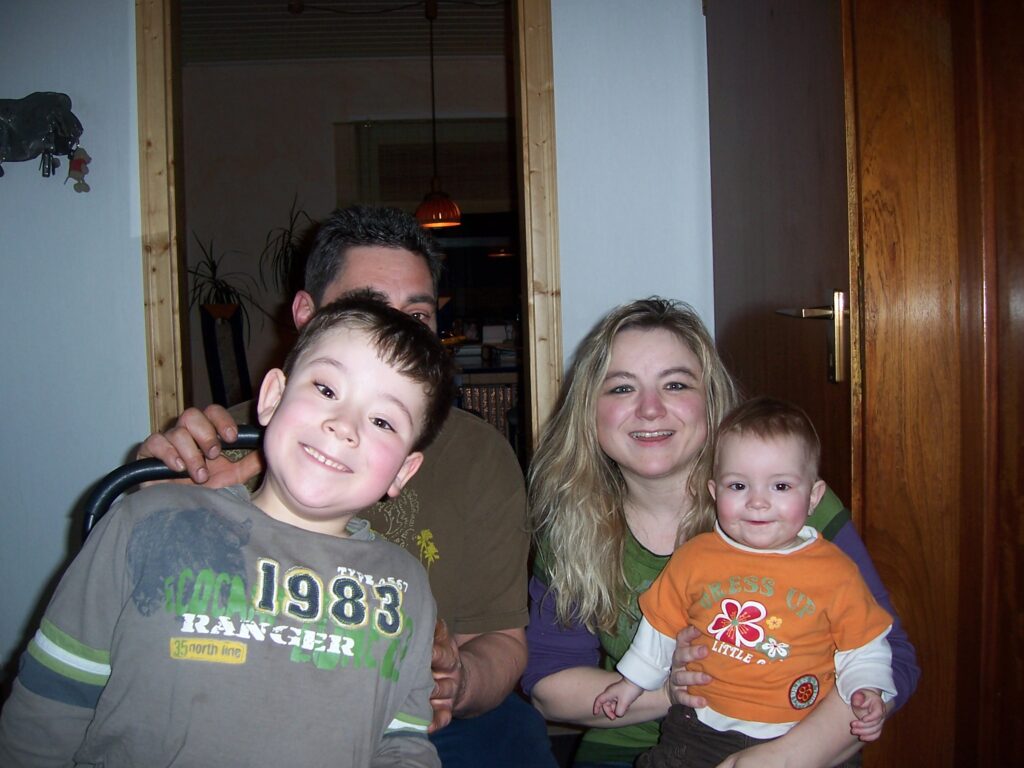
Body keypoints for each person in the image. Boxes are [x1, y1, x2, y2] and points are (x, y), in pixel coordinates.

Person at [136, 206, 555, 767]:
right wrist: (157, 496)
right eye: (368, 309)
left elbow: (502, 640)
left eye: (418, 315)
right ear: (306, 315)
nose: (400, 335)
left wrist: (457, 681)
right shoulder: (221, 447)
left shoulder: (479, 454)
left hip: (424, 724)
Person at [0, 295, 453, 767]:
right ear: (272, 396)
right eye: (325, 389)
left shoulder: (406, 586)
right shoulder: (146, 519)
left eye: (382, 421)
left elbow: (402, 743)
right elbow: (49, 704)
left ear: (404, 471)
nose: (343, 426)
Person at [523, 297, 920, 767]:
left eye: (675, 384)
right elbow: (549, 686)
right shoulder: (573, 524)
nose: (650, 409)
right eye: (622, 388)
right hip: (631, 744)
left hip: (789, 740)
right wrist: (671, 690)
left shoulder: (785, 504)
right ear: (589, 410)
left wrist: (781, 759)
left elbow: (889, 657)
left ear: (711, 401)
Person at [594, 397, 895, 768]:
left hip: (797, 731)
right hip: (698, 727)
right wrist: (632, 683)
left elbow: (864, 645)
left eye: (780, 486)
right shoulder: (694, 557)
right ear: (714, 492)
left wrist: (866, 687)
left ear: (814, 497)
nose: (757, 502)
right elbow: (660, 627)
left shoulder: (836, 572)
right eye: (738, 486)